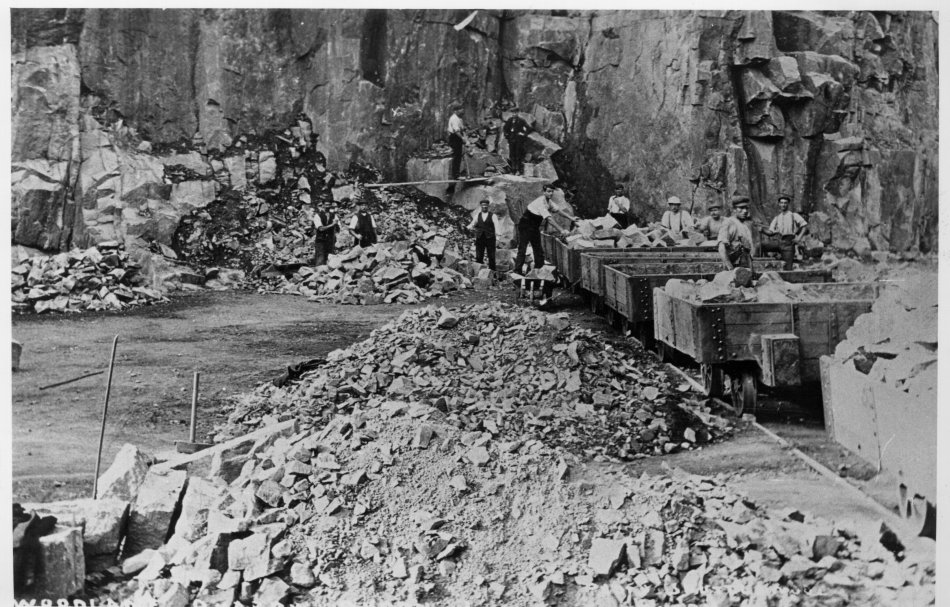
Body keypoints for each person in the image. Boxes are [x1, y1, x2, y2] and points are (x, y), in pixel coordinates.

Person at [514, 183, 572, 274]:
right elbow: (549, 219)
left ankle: (539, 270)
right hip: (525, 226)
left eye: (552, 192)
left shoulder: (548, 201)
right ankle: (517, 272)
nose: (551, 194)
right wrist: (561, 230)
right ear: (544, 192)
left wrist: (571, 218)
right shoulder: (541, 202)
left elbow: (558, 211)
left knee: (538, 249)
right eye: (548, 191)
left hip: (534, 227)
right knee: (522, 249)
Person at [761, 193, 808, 270]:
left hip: (788, 244)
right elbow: (770, 232)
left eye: (785, 203)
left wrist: (798, 238)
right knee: (762, 245)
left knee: (787, 267)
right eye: (781, 203)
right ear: (779, 204)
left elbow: (804, 226)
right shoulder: (777, 218)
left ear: (788, 204)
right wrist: (762, 230)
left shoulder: (794, 215)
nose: (783, 205)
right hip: (778, 242)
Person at [718, 196, 755, 271]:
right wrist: (730, 269)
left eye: (746, 208)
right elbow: (721, 247)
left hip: (746, 265)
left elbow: (748, 252)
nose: (745, 211)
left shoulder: (745, 226)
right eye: (741, 208)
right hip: (734, 266)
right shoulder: (728, 223)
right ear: (734, 209)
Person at [467, 199, 498, 271]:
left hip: (490, 238)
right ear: (481, 206)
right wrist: (468, 227)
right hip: (480, 237)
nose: (484, 207)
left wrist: (498, 238)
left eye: (486, 206)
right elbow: (473, 224)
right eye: (483, 206)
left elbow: (497, 227)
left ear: (488, 206)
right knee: (479, 255)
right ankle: (479, 271)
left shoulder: (493, 216)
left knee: (491, 256)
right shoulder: (477, 215)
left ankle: (492, 272)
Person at [312, 201, 339, 267]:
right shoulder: (317, 215)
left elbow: (338, 227)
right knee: (320, 258)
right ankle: (317, 274)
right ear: (323, 205)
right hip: (321, 240)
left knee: (330, 258)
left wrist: (336, 225)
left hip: (330, 240)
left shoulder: (333, 215)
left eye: (329, 204)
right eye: (326, 205)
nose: (328, 206)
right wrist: (332, 224)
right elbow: (321, 228)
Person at [447, 105, 466, 180]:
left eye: (462, 109)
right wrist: (462, 138)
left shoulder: (459, 118)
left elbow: (461, 129)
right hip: (455, 137)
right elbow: (456, 131)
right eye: (460, 110)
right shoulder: (454, 118)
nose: (462, 111)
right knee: (456, 156)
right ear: (456, 111)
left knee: (459, 156)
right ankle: (456, 175)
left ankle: (457, 173)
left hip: (457, 137)